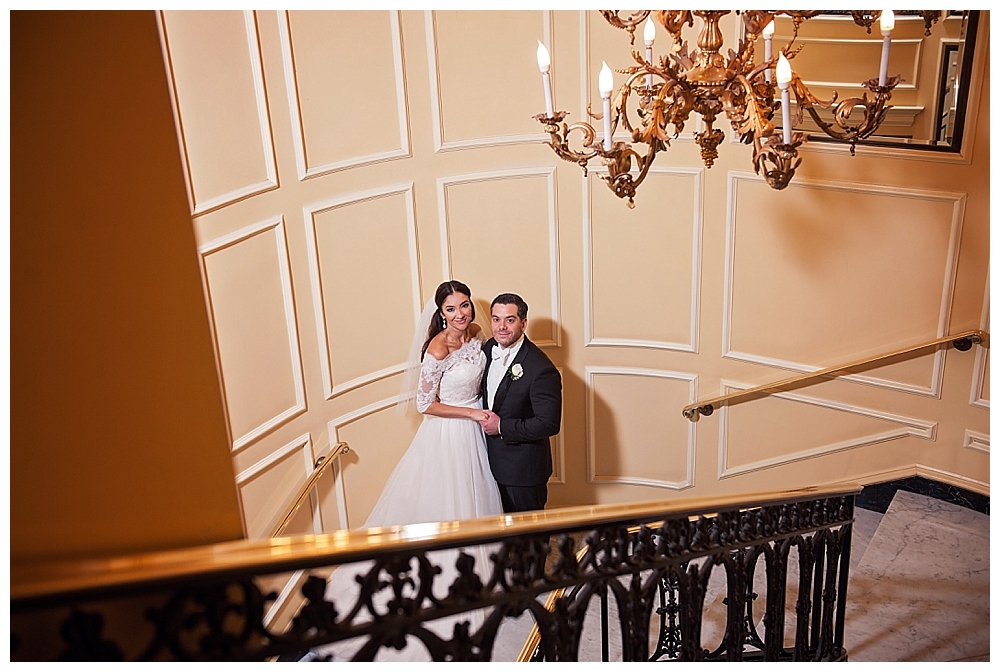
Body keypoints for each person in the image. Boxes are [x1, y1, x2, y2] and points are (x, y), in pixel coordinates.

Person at [315, 280, 503, 661]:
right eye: (451, 309)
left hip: (477, 428)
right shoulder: (436, 348)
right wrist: (470, 412)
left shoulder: (479, 335)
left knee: (479, 497)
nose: (461, 314)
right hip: (450, 431)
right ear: (440, 313)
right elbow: (424, 404)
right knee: (448, 502)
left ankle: (484, 572)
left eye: (465, 305)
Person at [480, 293, 561, 513]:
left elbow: (548, 424)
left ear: (523, 323)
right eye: (496, 319)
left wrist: (500, 427)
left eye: (510, 319)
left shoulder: (541, 368)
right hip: (488, 465)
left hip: (522, 473)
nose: (502, 327)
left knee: (529, 542)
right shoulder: (488, 349)